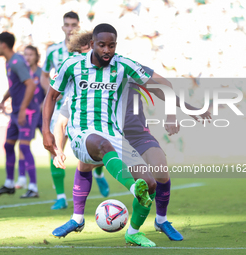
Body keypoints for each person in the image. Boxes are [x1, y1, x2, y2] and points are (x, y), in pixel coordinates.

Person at [52, 30, 212, 242]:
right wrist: (57, 148)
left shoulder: (124, 68)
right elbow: (63, 116)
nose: (94, 55)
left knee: (160, 172)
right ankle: (77, 218)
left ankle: (161, 221)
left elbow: (163, 86)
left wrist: (187, 110)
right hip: (102, 133)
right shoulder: (80, 80)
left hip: (135, 133)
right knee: (85, 162)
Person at [43, 23, 158, 247]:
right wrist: (47, 131)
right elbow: (51, 97)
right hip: (81, 133)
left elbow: (156, 84)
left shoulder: (123, 65)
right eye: (102, 45)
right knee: (99, 148)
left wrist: (189, 106)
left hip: (113, 133)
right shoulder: (72, 65)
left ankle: (133, 232)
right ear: (92, 44)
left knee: (151, 184)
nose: (107, 50)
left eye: (111, 46)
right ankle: (133, 189)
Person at [40, 11, 82, 209]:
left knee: (92, 149)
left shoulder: (86, 51)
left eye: (74, 24)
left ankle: (99, 174)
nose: (70, 28)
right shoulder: (53, 51)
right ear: (63, 27)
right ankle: (60, 197)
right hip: (60, 107)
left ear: (78, 26)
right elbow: (43, 76)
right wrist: (50, 94)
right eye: (67, 24)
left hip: (82, 106)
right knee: (55, 149)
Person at [0, 32, 40, 198]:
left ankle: (33, 187)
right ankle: (9, 184)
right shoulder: (10, 62)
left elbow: (31, 85)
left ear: (3, 45)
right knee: (8, 145)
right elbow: (15, 86)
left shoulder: (17, 62)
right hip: (16, 111)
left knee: (24, 147)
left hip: (27, 111)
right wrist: (3, 100)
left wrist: (23, 109)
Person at [14, 45, 43, 191]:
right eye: (25, 54)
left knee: (51, 145)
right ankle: (21, 177)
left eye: (31, 54)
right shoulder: (22, 72)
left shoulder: (41, 73)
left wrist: (43, 106)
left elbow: (51, 92)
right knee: (23, 144)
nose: (28, 57)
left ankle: (56, 173)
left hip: (42, 115)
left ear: (36, 57)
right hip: (29, 114)